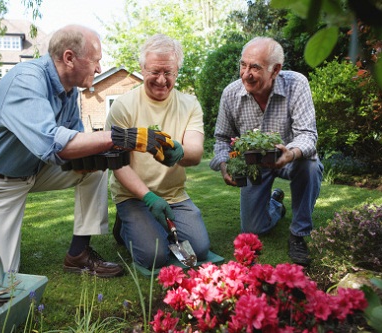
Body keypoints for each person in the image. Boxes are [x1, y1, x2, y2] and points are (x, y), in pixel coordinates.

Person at [0, 24, 175, 276]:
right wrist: (126, 136)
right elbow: (53, 145)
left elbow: (78, 142)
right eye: (95, 61)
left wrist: (130, 142)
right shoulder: (26, 81)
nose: (98, 68)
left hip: (34, 169)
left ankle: (79, 254)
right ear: (69, 58)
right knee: (1, 280)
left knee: (97, 165)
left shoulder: (69, 91)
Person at [209, 37, 323, 266]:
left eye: (255, 67)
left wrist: (290, 153)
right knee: (253, 229)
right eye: (243, 65)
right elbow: (221, 139)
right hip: (254, 166)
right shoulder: (231, 94)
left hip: (290, 159)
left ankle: (298, 234)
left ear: (275, 70)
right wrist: (224, 165)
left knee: (310, 165)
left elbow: (308, 134)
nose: (245, 74)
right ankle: (276, 205)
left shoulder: (296, 84)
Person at [105, 34, 210, 269]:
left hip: (175, 194)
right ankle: (124, 224)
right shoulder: (124, 106)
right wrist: (148, 197)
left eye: (169, 73)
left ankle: (150, 224)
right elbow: (117, 163)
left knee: (200, 249)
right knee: (155, 257)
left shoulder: (190, 104)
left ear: (177, 71)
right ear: (142, 68)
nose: (162, 80)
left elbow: (196, 152)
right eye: (154, 71)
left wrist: (181, 151)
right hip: (133, 195)